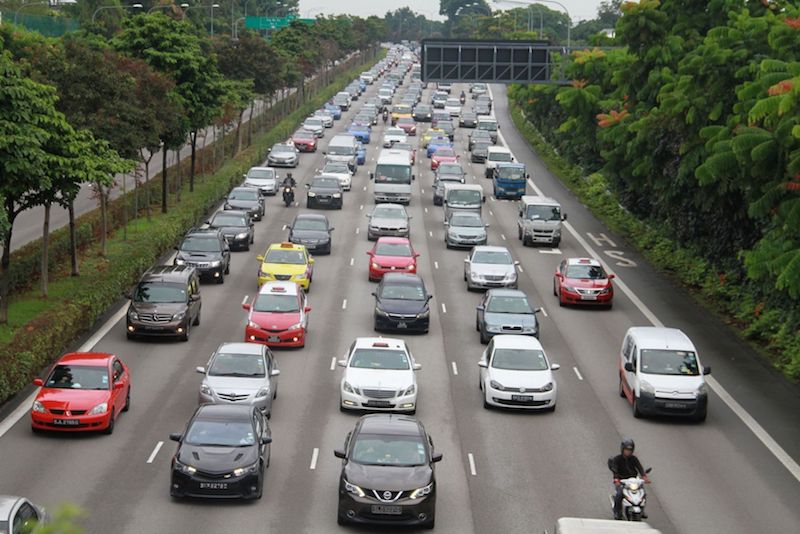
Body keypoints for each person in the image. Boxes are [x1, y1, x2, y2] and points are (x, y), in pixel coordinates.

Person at [609, 438, 649, 520]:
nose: (628, 452)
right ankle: (617, 512)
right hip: (622, 481)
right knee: (619, 494)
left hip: (633, 481)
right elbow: (615, 469)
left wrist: (644, 476)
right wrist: (616, 479)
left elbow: (639, 468)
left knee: (643, 492)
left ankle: (642, 509)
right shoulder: (617, 459)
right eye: (627, 450)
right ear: (622, 449)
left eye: (630, 450)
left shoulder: (634, 459)